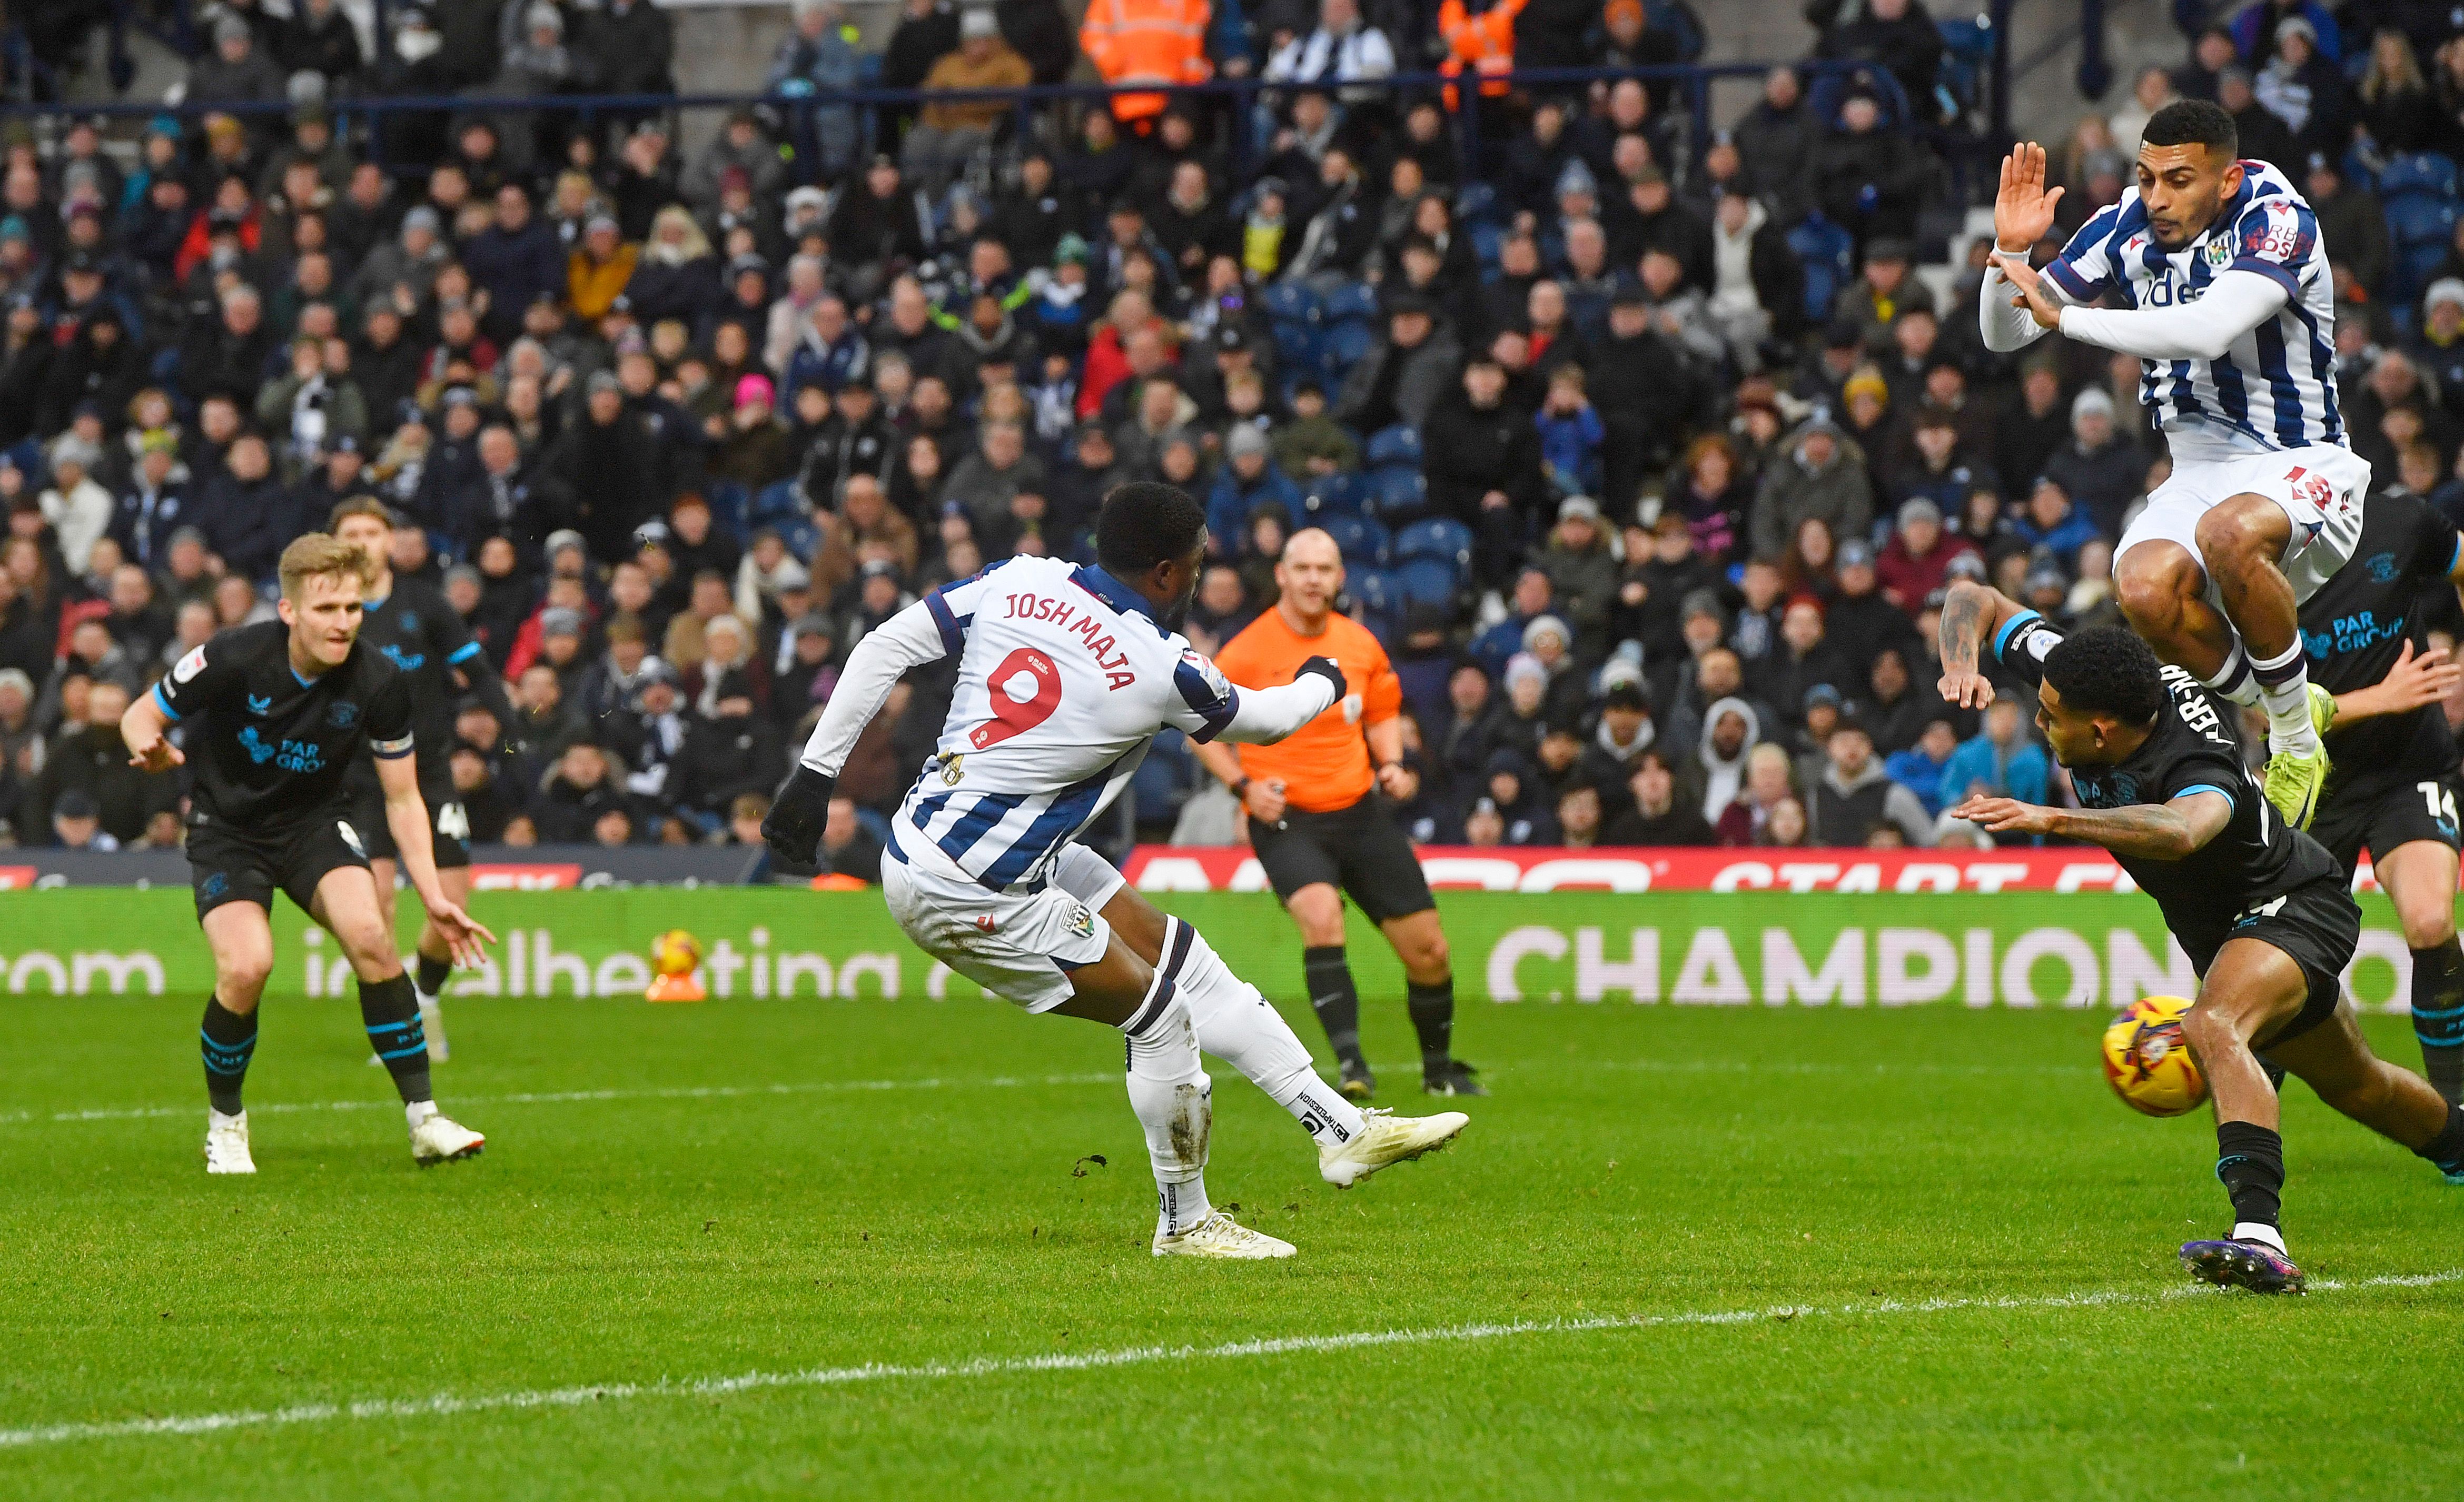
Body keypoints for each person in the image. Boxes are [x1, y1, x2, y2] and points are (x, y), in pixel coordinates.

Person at [757, 484, 1468, 1259]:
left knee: (1188, 966)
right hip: (971, 888)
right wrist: (1327, 678)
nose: (1195, 581)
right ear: (1166, 573)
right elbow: (1269, 718)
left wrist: (812, 775)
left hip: (969, 846)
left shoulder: (1020, 578)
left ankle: (1342, 1130)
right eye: (1194, 567)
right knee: (1161, 1016)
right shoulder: (1161, 665)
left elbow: (885, 645)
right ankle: (1186, 1223)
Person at [1936, 579, 2464, 1293]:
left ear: (2100, 732)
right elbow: (1974, 596)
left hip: (2292, 902)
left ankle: (2259, 1234)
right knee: (2360, 1087)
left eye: (2050, 717)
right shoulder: (2082, 672)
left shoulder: (2191, 763)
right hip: (2225, 930)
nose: (2038, 720)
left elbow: (2185, 830)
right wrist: (1960, 660)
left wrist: (2053, 821)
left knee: (2213, 1022)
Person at [1986, 104, 2360, 832]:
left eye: (2178, 180)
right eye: (2146, 177)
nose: (2156, 197)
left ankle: (2290, 742)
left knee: (2225, 537)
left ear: (2224, 180)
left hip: (2301, 459)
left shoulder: (2276, 217)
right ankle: (2281, 699)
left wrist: (2063, 317)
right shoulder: (2124, 221)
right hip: (2194, 466)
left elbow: (2206, 329)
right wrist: (2009, 254)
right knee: (2141, 592)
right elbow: (2005, 335)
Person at [117, 533, 495, 1177]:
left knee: (373, 938)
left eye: (352, 608)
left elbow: (404, 801)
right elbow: (138, 715)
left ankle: (424, 1120)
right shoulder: (234, 655)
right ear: (290, 610)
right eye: (326, 610)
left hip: (314, 826)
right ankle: (227, 1125)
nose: (343, 622)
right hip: (228, 830)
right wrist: (149, 747)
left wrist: (432, 895)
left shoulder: (380, 680)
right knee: (248, 968)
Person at [1192, 529, 1482, 1102]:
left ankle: (1438, 1068)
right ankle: (1352, 1066)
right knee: (1323, 920)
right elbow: (1198, 728)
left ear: (1339, 576)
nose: (1312, 579)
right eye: (1301, 568)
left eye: (1323, 569)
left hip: (1358, 812)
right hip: (1286, 817)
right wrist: (1243, 787)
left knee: (1429, 950)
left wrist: (1393, 762)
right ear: (1280, 574)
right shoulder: (1247, 649)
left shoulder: (1359, 644)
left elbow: (1380, 711)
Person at [330, 499, 522, 1061]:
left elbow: (479, 673)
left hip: (428, 773)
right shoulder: (330, 611)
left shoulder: (425, 605)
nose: (364, 542)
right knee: (376, 906)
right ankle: (397, 1025)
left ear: (391, 541)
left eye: (373, 531)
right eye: (352, 533)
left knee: (452, 903)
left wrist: (511, 736)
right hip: (359, 776)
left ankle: (425, 996)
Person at [2293, 490, 2464, 1102]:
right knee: (2287, 963)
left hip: (2409, 765)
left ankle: (2457, 1113)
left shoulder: (2399, 520)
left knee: (2428, 920)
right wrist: (2377, 700)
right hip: (2314, 784)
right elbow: (2267, 718)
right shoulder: (2246, 566)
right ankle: (2254, 1136)